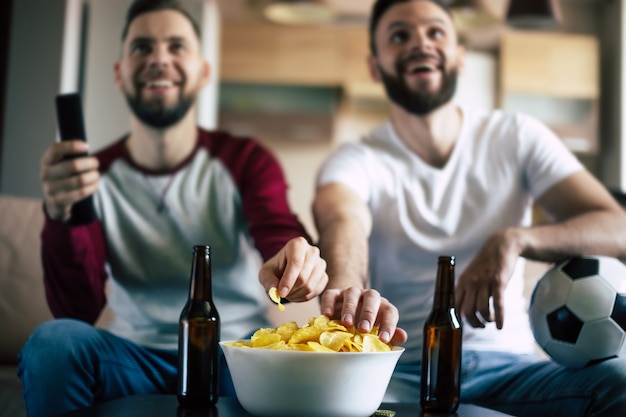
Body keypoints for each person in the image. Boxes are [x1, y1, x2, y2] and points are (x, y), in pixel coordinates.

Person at [313, 0, 626, 416]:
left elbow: (617, 228)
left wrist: (516, 239)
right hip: (401, 372)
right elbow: (342, 219)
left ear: (461, 55)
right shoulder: (355, 159)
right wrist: (348, 284)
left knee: (618, 385)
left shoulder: (517, 135)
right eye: (399, 35)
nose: (420, 44)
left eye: (436, 32)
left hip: (511, 370)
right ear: (375, 66)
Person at [18, 1, 329, 416]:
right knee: (53, 341)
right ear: (119, 73)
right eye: (142, 47)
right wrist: (60, 217)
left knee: (281, 362)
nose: (159, 59)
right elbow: (76, 310)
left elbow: (275, 228)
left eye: (176, 47)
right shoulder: (95, 175)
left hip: (231, 351)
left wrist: (293, 256)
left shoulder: (246, 159)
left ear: (203, 72)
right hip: (130, 354)